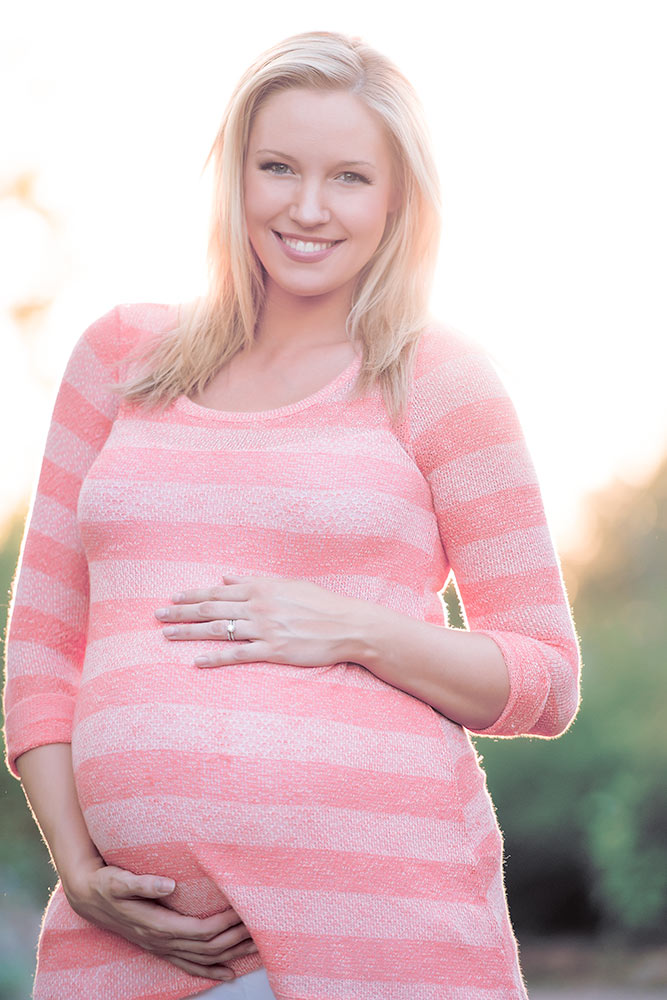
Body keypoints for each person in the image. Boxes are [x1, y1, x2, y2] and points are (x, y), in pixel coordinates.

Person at [3, 30, 581, 1000]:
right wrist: (78, 864)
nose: (307, 208)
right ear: (235, 174)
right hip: (136, 952)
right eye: (278, 167)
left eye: (349, 177)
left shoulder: (440, 378)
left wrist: (351, 628)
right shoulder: (119, 356)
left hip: (382, 940)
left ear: (397, 199)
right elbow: (42, 648)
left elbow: (545, 677)